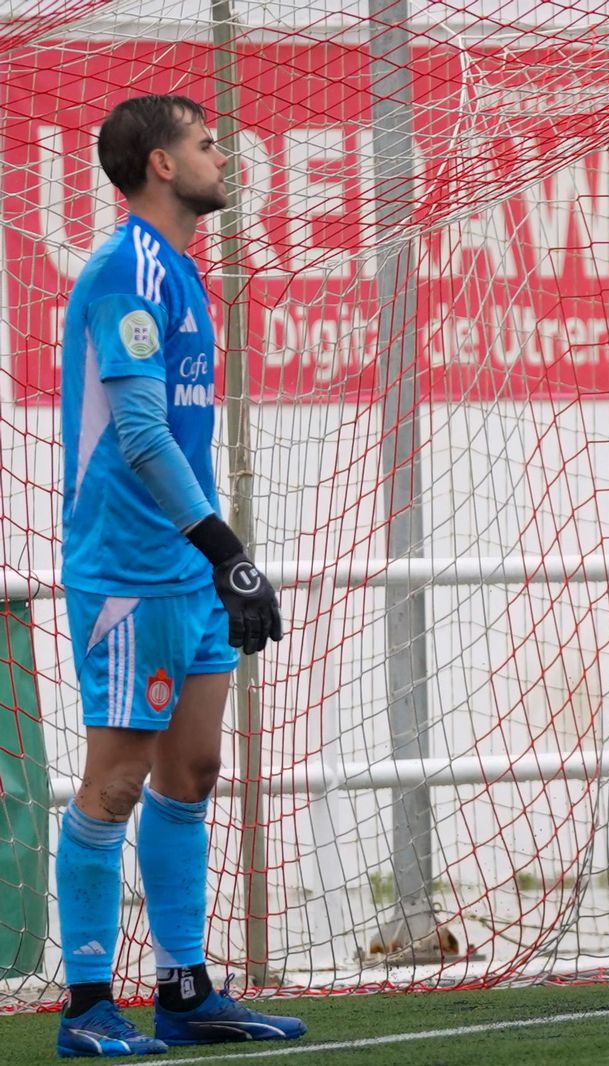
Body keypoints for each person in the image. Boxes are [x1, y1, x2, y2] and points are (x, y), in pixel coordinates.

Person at [53, 95, 304, 1057]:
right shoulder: (124, 270)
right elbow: (142, 434)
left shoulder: (185, 274)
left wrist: (216, 560)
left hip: (188, 569)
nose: (220, 155)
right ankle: (83, 1005)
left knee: (191, 771)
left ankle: (185, 987)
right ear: (161, 164)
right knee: (113, 781)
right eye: (206, 143)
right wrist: (228, 551)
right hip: (129, 568)